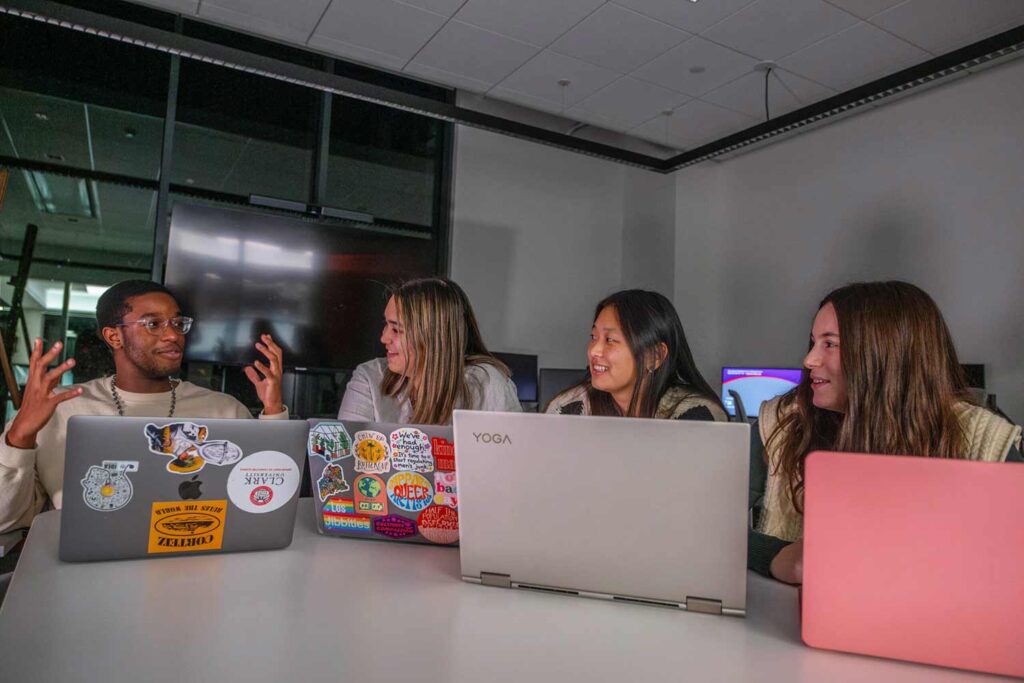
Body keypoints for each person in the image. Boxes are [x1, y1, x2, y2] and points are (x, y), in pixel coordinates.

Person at [749, 281, 1022, 584]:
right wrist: (777, 556)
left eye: (829, 344)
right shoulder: (782, 422)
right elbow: (709, 526)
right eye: (813, 342)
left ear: (886, 355)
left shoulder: (987, 442)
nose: (809, 360)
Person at [0, 280, 289, 533]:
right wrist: (21, 435)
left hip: (198, 558)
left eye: (177, 323)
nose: (173, 335)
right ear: (114, 336)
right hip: (89, 567)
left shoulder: (225, 410)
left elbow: (266, 503)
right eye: (153, 324)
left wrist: (274, 411)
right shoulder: (60, 408)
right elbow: (6, 520)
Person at [338, 278, 519, 425]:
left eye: (397, 329)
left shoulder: (487, 382)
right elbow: (347, 462)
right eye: (386, 324)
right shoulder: (370, 378)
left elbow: (514, 460)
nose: (384, 338)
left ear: (433, 337)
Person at [546, 289, 726, 421]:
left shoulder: (695, 416)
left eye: (610, 340)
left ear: (654, 356)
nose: (594, 350)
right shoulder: (570, 407)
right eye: (593, 337)